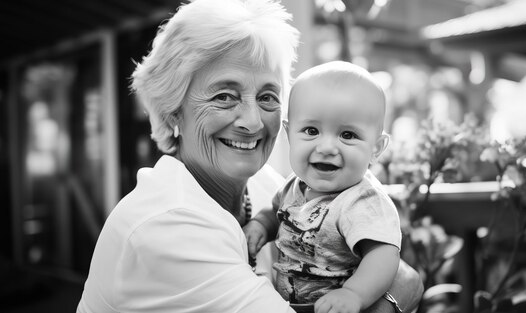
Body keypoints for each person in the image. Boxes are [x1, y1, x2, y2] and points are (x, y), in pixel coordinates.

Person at [77, 0, 422, 312]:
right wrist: (399, 292)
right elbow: (404, 279)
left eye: (268, 96)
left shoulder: (265, 184)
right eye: (225, 96)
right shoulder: (168, 223)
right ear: (172, 113)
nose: (253, 121)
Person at [243, 61, 401, 313]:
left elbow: (383, 255)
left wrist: (354, 294)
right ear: (288, 133)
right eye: (311, 130)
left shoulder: (361, 200)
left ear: (376, 149)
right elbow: (276, 212)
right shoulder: (294, 185)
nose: (327, 148)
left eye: (347, 135)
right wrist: (261, 225)